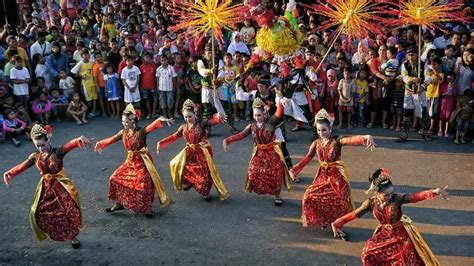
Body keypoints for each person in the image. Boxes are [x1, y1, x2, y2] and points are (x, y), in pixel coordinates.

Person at [331, 168, 448, 265]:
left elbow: (414, 197)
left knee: (404, 257)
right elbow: (355, 214)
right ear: (377, 193)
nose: (390, 196)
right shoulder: (371, 203)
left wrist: (434, 192)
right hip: (383, 234)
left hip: (401, 234)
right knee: (367, 253)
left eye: (392, 192)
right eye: (387, 194)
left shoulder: (396, 199)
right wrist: (338, 222)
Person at [3, 124, 91, 249]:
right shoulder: (35, 156)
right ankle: (54, 232)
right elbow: (22, 166)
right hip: (45, 188)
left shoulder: (57, 152)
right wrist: (10, 172)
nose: (40, 148)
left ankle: (73, 237)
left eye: (42, 145)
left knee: (66, 212)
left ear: (48, 140)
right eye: (37, 145)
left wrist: (79, 139)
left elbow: (70, 144)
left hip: (61, 187)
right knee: (38, 212)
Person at [290, 109, 376, 229]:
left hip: (337, 178)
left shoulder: (336, 141)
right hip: (322, 176)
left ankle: (338, 225)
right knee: (308, 197)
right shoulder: (316, 143)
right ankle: (324, 219)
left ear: (330, 127)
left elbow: (349, 140)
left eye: (324, 130)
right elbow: (308, 157)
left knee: (340, 202)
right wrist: (294, 170)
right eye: (319, 130)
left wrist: (365, 137)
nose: (321, 133)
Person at [95, 104, 173, 218]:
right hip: (130, 161)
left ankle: (146, 209)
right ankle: (118, 203)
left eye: (126, 122)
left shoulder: (140, 132)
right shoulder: (124, 132)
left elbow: (149, 128)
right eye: (123, 121)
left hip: (143, 161)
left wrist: (158, 120)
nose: (124, 124)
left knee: (144, 185)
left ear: (133, 121)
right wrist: (100, 143)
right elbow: (112, 139)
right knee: (114, 178)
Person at [223, 97, 293, 206]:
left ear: (264, 113)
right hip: (259, 153)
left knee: (275, 175)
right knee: (253, 173)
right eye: (255, 115)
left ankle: (277, 196)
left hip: (272, 153)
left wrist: (280, 102)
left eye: (259, 115)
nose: (257, 117)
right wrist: (227, 140)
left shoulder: (271, 123)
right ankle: (262, 189)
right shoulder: (252, 126)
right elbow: (241, 135)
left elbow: (279, 113)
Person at [157, 99, 230, 202]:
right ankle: (190, 182)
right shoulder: (183, 127)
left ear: (195, 114)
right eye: (185, 117)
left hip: (202, 152)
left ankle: (205, 193)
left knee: (204, 174)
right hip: (189, 152)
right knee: (181, 167)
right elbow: (174, 136)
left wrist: (218, 117)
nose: (187, 119)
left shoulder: (202, 124)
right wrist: (161, 142)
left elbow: (212, 121)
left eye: (190, 116)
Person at [70, 50, 97, 117]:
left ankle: (94, 110)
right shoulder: (80, 63)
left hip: (94, 82)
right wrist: (81, 75)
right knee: (88, 99)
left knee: (95, 97)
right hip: (86, 83)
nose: (86, 56)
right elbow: (73, 71)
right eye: (84, 55)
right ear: (82, 56)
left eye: (87, 54)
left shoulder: (92, 62)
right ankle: (90, 110)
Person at [438, 72, 458, 137]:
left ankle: (446, 131)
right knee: (441, 117)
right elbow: (440, 93)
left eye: (451, 78)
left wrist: (452, 89)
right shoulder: (443, 85)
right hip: (443, 103)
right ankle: (440, 130)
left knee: (448, 118)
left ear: (454, 78)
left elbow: (455, 94)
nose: (449, 80)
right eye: (448, 78)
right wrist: (445, 93)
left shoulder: (454, 85)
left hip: (450, 104)